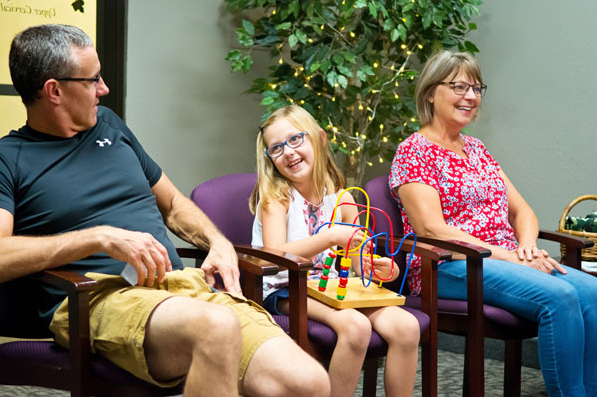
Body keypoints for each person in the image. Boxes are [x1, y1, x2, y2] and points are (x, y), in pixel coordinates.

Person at [0, 24, 331, 397]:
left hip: (178, 286)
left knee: (310, 383)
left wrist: (217, 242)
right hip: (97, 298)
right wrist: (99, 237)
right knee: (216, 327)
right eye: (93, 80)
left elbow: (173, 204)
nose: (104, 89)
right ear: (54, 91)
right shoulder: (9, 158)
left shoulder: (110, 125)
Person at [389, 50, 597, 397]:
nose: (470, 96)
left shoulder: (476, 149)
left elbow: (523, 212)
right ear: (429, 92)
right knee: (559, 297)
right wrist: (507, 255)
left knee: (591, 291)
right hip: (448, 266)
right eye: (458, 86)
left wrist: (527, 248)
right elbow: (432, 230)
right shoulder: (414, 151)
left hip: (503, 259)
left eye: (476, 88)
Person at [251, 104, 420, 397]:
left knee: (407, 327)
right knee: (355, 327)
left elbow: (359, 263)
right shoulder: (276, 199)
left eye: (295, 139)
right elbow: (276, 256)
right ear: (269, 159)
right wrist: (330, 237)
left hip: (332, 288)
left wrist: (378, 268)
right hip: (286, 290)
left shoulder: (342, 198)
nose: (288, 152)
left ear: (319, 139)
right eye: (276, 148)